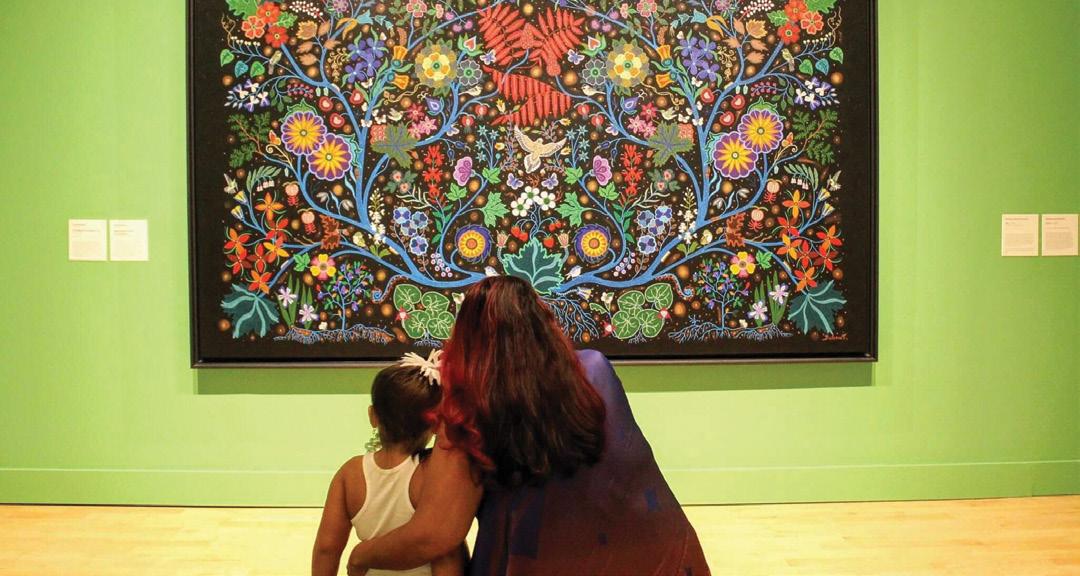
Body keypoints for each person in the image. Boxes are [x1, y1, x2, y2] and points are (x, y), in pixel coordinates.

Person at [348, 276, 710, 575]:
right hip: (662, 557)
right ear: (543, 325)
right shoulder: (596, 370)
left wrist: (361, 555)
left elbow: (436, 533)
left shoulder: (468, 408)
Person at [312, 355, 468, 576]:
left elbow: (326, 548)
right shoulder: (431, 473)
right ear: (435, 424)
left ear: (373, 416)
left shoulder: (350, 474)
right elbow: (446, 554)